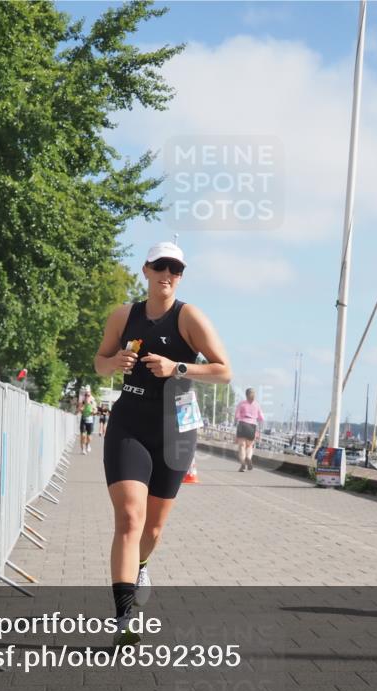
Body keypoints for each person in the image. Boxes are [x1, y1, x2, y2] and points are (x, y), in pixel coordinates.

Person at [94, 241, 231, 645]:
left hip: (175, 427)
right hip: (130, 422)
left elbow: (224, 371)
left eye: (175, 269)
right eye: (160, 267)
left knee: (152, 527)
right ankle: (124, 617)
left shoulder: (189, 317)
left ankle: (140, 566)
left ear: (180, 276)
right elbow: (100, 362)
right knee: (129, 518)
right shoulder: (124, 315)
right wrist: (113, 363)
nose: (167, 274)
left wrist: (178, 367)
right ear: (146, 270)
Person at [234, 387, 265, 472]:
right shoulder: (257, 405)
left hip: (242, 424)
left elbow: (236, 416)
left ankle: (243, 464)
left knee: (242, 446)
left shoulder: (241, 404)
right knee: (249, 446)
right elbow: (262, 418)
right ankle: (248, 457)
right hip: (252, 426)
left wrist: (235, 423)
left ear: (246, 395)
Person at [77, 389, 96, 454]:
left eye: (88, 395)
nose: (87, 397)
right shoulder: (82, 402)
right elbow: (78, 410)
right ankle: (83, 449)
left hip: (90, 421)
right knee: (83, 435)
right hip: (84, 420)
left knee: (89, 437)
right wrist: (81, 409)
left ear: (90, 396)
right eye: (86, 395)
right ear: (84, 396)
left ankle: (88, 444)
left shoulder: (92, 402)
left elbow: (95, 410)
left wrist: (93, 411)